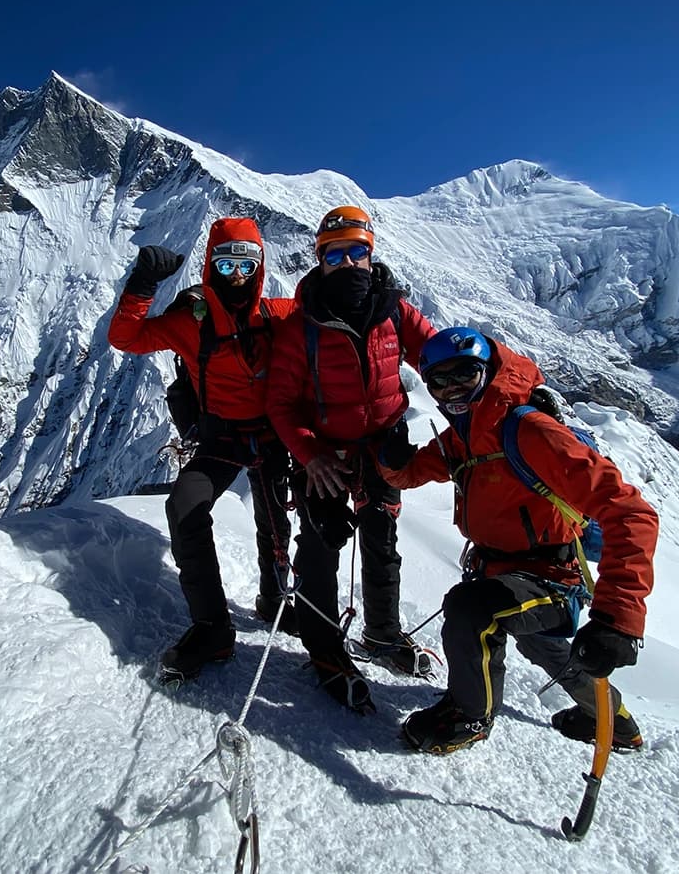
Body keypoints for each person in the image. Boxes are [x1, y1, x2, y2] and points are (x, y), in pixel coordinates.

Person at [378, 326, 659, 752]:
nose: (452, 389)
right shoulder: (465, 434)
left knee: (471, 610)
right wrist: (392, 463)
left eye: (465, 375)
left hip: (551, 577)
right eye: (440, 380)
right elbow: (415, 472)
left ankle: (469, 717)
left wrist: (617, 620)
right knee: (545, 647)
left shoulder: (529, 431)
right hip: (506, 570)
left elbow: (631, 513)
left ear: (487, 373)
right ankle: (614, 722)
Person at [108, 217, 297, 684]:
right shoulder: (188, 323)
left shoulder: (278, 315)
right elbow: (125, 338)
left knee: (275, 520)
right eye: (226, 261)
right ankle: (213, 626)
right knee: (185, 506)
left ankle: (274, 599)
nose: (236, 274)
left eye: (246, 263)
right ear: (210, 264)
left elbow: (327, 318)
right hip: (222, 438)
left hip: (269, 435)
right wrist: (142, 284)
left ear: (260, 267)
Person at [266, 205, 438, 712]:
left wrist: (501, 381)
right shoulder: (302, 327)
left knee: (381, 537)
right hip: (325, 452)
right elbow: (280, 403)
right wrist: (311, 454)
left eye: (355, 251)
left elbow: (436, 352)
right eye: (333, 254)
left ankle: (382, 633)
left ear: (371, 254)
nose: (346, 262)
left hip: (382, 445)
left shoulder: (394, 310)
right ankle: (324, 650)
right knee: (321, 543)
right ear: (319, 261)